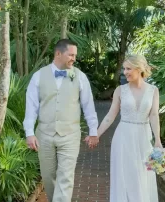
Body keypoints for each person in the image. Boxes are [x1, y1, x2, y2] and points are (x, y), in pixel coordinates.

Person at [23, 39, 99, 202]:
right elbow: (31, 107)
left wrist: (93, 131)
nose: (74, 58)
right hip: (44, 135)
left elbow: (88, 106)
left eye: (75, 55)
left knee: (65, 177)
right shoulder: (38, 76)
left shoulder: (80, 77)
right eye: (71, 54)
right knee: (48, 176)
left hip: (70, 135)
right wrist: (29, 132)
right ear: (58, 54)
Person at [87, 54, 162, 202]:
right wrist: (96, 134)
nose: (125, 72)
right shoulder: (120, 90)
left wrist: (158, 140)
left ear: (139, 69)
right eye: (124, 69)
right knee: (124, 176)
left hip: (144, 138)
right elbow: (110, 116)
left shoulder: (153, 90)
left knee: (142, 175)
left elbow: (154, 115)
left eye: (128, 68)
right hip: (123, 137)